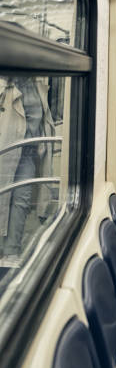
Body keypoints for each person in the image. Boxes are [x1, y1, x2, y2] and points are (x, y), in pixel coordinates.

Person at [0, 75, 55, 268]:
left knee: (22, 198)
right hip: (8, 148)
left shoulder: (36, 83)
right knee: (4, 198)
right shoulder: (5, 84)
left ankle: (11, 251)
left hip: (29, 151)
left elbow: (43, 117)